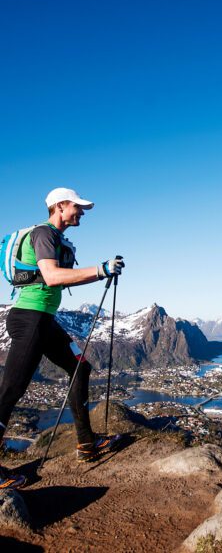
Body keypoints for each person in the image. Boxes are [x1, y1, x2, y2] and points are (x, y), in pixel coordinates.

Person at [0, 187, 125, 489]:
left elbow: (54, 279)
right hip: (30, 319)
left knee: (80, 368)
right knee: (11, 391)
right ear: (59, 206)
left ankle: (86, 443)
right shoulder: (44, 234)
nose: (81, 212)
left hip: (44, 320)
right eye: (77, 207)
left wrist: (102, 271)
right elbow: (53, 277)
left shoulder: (55, 238)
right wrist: (101, 269)